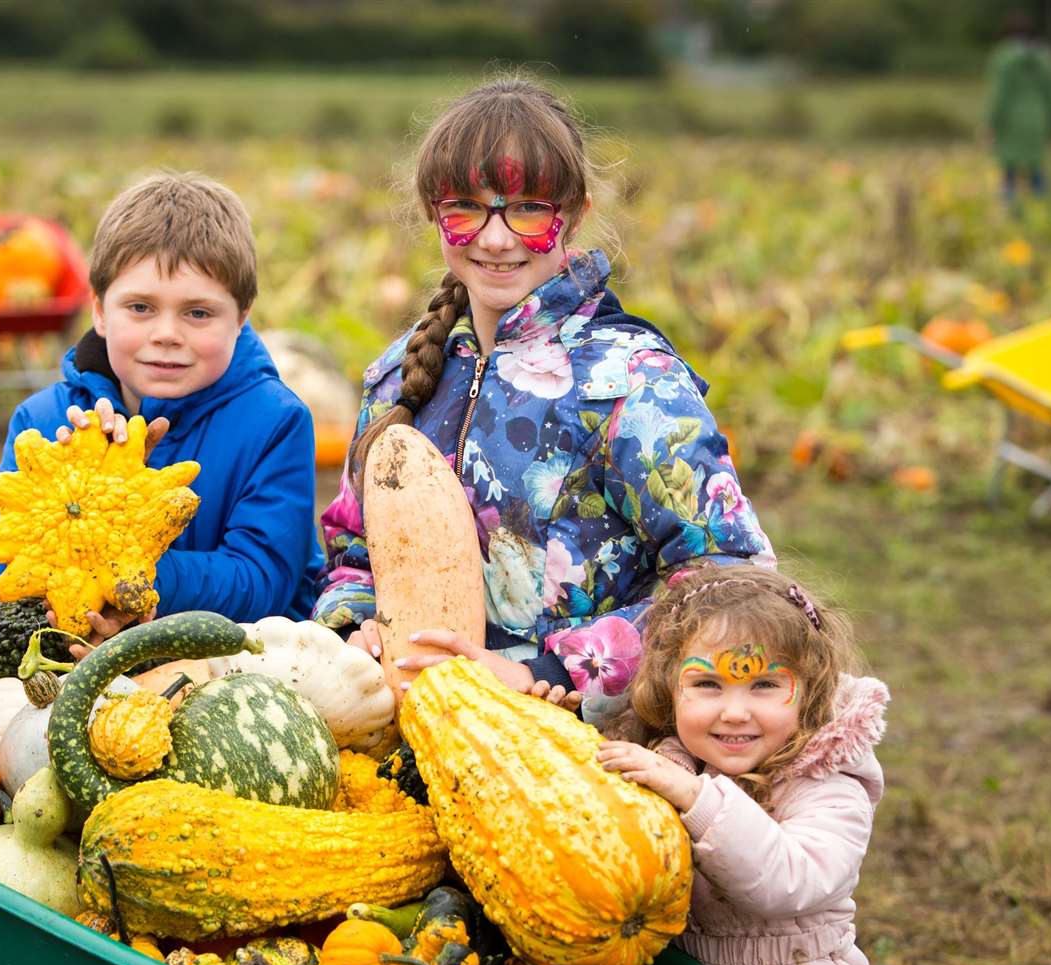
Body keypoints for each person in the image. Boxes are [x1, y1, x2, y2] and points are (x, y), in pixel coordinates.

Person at [311, 76, 770, 727]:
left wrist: (552, 672)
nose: (495, 240)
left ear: (574, 214)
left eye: (526, 210)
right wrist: (353, 629)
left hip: (577, 748)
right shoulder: (398, 375)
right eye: (465, 209)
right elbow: (355, 552)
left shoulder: (631, 381)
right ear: (433, 216)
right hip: (410, 733)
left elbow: (731, 577)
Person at [0, 172, 323, 649]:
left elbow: (262, 580)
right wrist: (78, 482)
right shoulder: (41, 424)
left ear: (241, 317)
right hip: (72, 658)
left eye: (197, 313)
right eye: (140, 307)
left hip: (235, 664)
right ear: (100, 311)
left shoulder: (276, 422)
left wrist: (127, 577)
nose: (166, 333)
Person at [596, 564, 911, 965]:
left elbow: (790, 880)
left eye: (764, 684)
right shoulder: (672, 763)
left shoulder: (829, 783)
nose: (735, 711)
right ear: (670, 688)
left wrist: (695, 798)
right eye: (708, 683)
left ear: (808, 690)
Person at [986, 12, 1051, 203]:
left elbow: (999, 95)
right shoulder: (1046, 58)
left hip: (1010, 120)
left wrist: (990, 122)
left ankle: (1009, 211)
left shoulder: (1003, 57)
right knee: (1035, 167)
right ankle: (1043, 208)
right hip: (1038, 117)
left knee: (1008, 169)